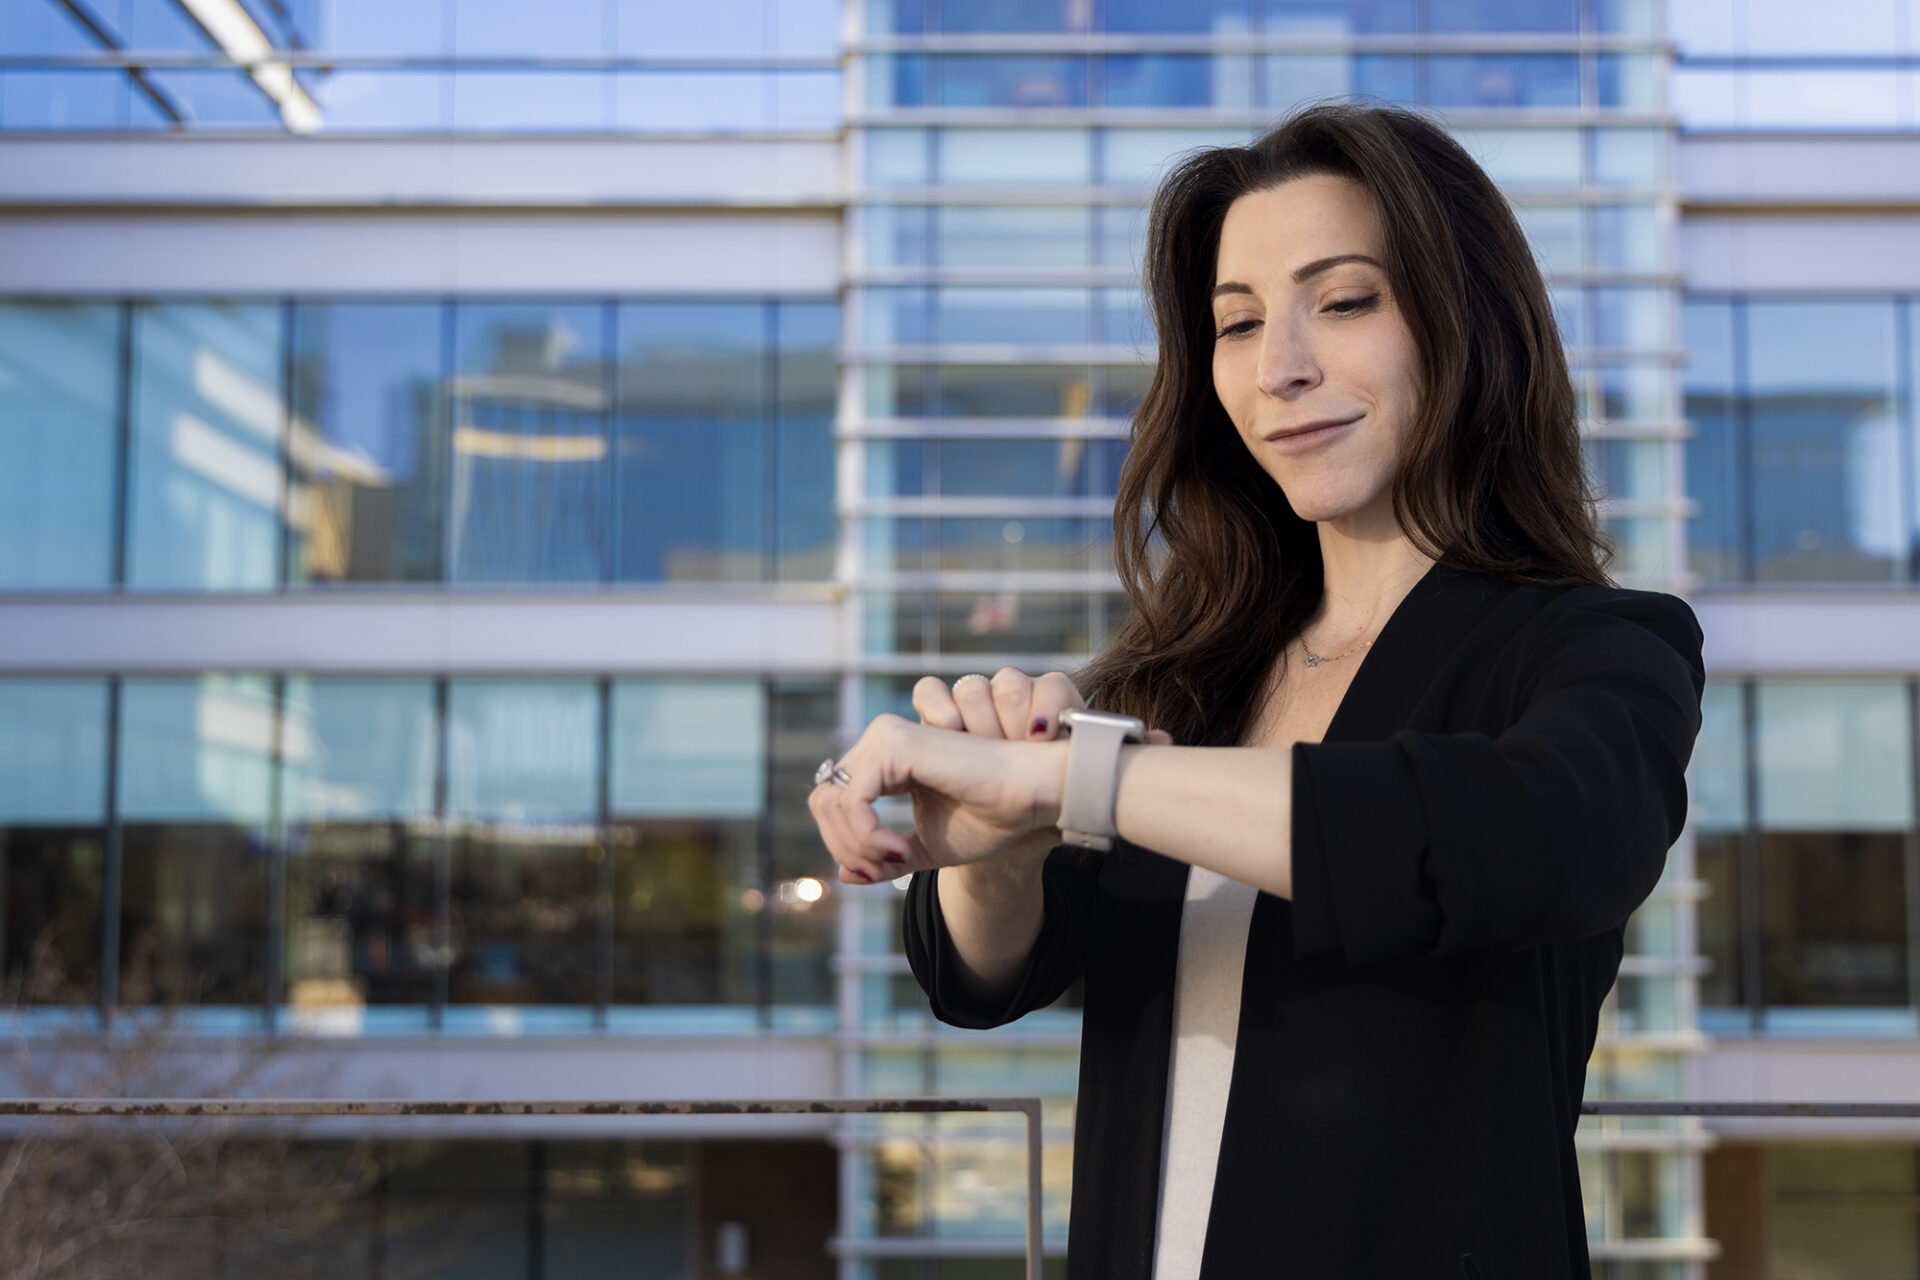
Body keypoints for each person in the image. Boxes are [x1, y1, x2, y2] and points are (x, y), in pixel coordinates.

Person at [808, 101, 1704, 1280]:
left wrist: (1083, 776)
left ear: (1470, 323)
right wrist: (998, 848)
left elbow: (1533, 836)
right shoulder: (1188, 669)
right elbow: (979, 977)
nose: (1279, 369)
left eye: (1344, 301)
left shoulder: (1595, 643)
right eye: (1237, 323)